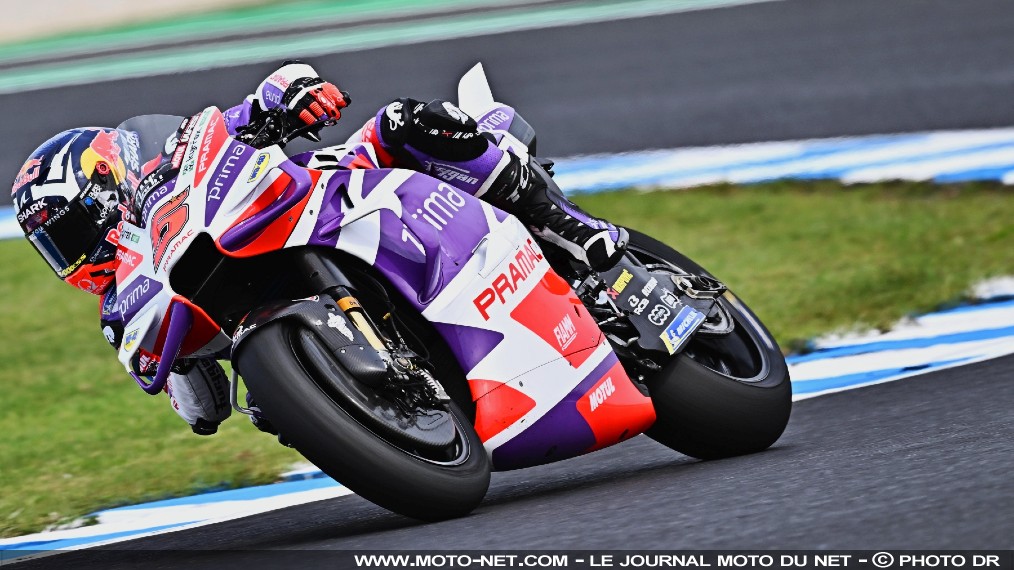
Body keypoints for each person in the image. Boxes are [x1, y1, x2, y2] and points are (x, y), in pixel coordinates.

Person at [11, 61, 627, 436]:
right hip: (274, 304)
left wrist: (291, 96)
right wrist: (270, 392)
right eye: (53, 245)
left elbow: (260, 98)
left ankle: (563, 224)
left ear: (105, 183)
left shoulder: (173, 156)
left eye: (70, 229)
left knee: (405, 121)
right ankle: (362, 396)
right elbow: (200, 409)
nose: (72, 253)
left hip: (327, 191)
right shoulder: (122, 307)